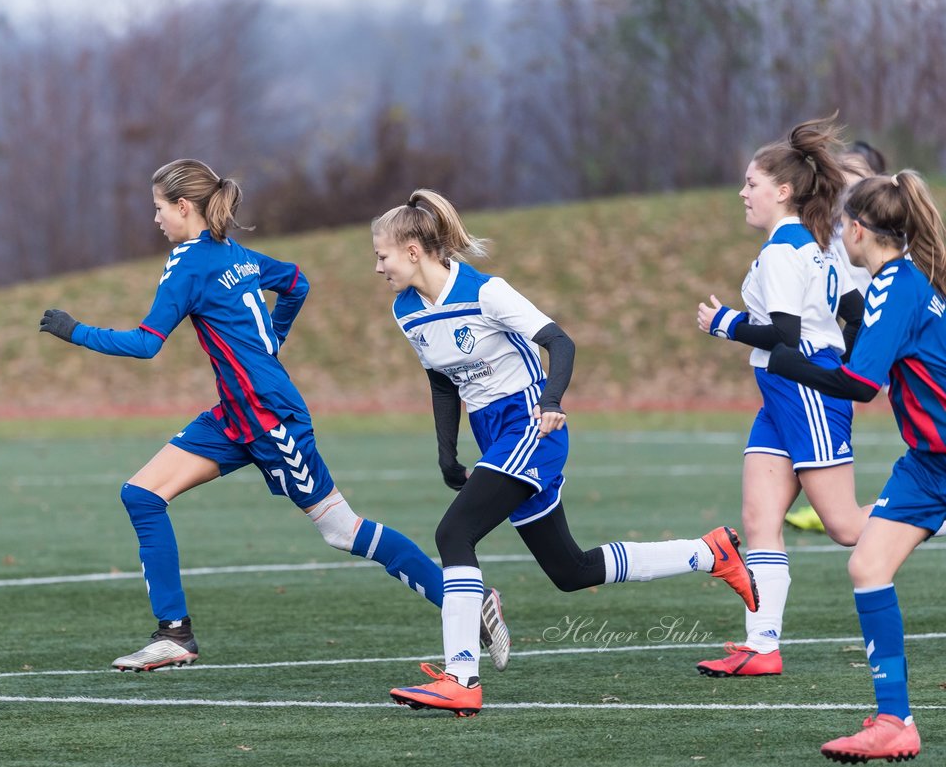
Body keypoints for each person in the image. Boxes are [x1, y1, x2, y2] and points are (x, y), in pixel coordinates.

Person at [38, 159, 511, 673]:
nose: (155, 219)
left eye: (158, 208)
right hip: (237, 415)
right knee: (142, 494)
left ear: (182, 207)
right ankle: (174, 635)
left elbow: (146, 344)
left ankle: (466, 601)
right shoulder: (234, 254)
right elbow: (296, 282)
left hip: (271, 422)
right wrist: (271, 346)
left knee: (342, 530)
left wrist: (73, 330)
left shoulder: (189, 264)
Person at [375, 189, 759, 717]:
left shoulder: (487, 293)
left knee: (453, 533)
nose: (378, 267)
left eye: (383, 255)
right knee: (569, 570)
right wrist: (447, 452)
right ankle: (708, 552)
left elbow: (561, 342)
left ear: (414, 250)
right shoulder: (406, 311)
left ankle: (461, 676)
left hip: (532, 425)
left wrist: (552, 401)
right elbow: (443, 382)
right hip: (494, 436)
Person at [766, 169, 946, 762]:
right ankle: (895, 722)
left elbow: (860, 384)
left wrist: (779, 358)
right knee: (867, 564)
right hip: (927, 464)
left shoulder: (897, 288)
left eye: (844, 222)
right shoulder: (894, 285)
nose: (840, 232)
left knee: (867, 562)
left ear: (860, 230)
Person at [695, 117, 871, 678]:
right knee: (760, 517)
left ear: (783, 191)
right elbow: (851, 313)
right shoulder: (809, 245)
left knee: (844, 526)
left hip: (804, 392)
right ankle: (762, 646)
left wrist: (726, 322)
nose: (743, 193)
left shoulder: (785, 251)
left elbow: (788, 336)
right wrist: (841, 353)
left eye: (751, 183)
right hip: (779, 393)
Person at [784, 141, 886, 533]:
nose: (846, 192)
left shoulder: (891, 237)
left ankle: (839, 504)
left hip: (884, 333)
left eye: (855, 184)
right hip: (861, 334)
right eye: (840, 184)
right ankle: (829, 498)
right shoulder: (827, 234)